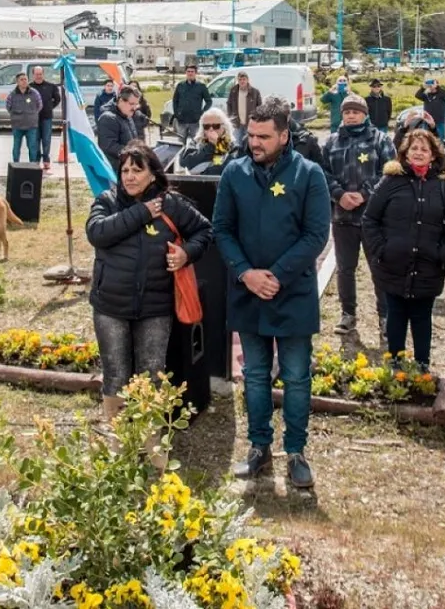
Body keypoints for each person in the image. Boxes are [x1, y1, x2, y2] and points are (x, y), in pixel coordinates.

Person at [213, 97, 330, 489]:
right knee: (255, 375)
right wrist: (246, 274)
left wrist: (276, 275)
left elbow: (316, 235)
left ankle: (296, 452)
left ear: (284, 134)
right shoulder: (235, 173)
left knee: (296, 377)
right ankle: (258, 449)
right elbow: (222, 230)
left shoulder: (309, 175)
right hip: (248, 292)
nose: (254, 143)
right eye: (251, 135)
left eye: (264, 136)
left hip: (292, 291)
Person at [86, 141, 212, 428]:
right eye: (125, 170)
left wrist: (186, 254)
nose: (129, 176)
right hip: (110, 307)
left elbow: (205, 231)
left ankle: (150, 443)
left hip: (156, 308)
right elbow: (97, 233)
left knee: (152, 375)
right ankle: (120, 444)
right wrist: (142, 212)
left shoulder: (172, 205)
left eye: (136, 170)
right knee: (116, 375)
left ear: (153, 174)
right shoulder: (107, 200)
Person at [362, 128, 445, 368]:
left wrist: (443, 253)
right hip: (393, 266)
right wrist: (382, 249)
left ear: (433, 156)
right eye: (414, 148)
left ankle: (422, 366)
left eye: (424, 149)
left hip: (428, 268)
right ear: (405, 154)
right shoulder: (390, 183)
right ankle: (395, 365)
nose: (419, 153)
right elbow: (370, 219)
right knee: (395, 315)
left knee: (422, 318)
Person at [321, 93, 395, 338]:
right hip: (342, 217)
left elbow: (390, 172)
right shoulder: (331, 142)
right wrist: (339, 194)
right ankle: (348, 314)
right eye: (347, 112)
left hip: (374, 219)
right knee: (345, 269)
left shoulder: (380, 140)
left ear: (365, 114)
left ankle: (385, 317)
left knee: (380, 268)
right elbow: (322, 173)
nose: (351, 116)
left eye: (355, 111)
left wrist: (365, 194)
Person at [96, 86, 141, 174]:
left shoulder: (127, 115)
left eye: (136, 104)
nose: (134, 108)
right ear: (120, 101)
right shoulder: (108, 118)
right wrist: (134, 153)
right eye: (132, 104)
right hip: (115, 170)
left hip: (128, 167)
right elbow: (109, 146)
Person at [176, 107, 233, 174]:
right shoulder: (196, 143)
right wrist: (210, 146)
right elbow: (185, 163)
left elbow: (220, 170)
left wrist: (218, 147)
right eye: (207, 126)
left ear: (224, 127)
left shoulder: (232, 146)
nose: (211, 129)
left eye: (216, 126)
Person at [7, 72, 44, 164]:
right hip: (17, 126)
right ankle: (15, 164)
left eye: (25, 79)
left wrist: (32, 115)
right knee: (16, 147)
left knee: (32, 147)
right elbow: (8, 107)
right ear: (17, 82)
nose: (24, 81)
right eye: (21, 80)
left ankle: (33, 165)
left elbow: (40, 106)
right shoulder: (12, 94)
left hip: (31, 126)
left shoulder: (34, 93)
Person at [29, 66, 61, 172]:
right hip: (33, 119)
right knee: (35, 140)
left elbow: (57, 99)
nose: (38, 76)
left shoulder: (51, 86)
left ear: (43, 74)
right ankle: (37, 161)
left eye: (40, 74)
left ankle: (46, 160)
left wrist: (49, 107)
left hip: (47, 117)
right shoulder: (29, 87)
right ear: (33, 75)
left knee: (46, 140)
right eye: (36, 74)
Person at [171, 64, 211, 139]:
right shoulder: (180, 85)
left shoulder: (201, 86)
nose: (190, 73)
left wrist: (202, 112)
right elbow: (175, 100)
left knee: (196, 142)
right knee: (180, 142)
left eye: (192, 71)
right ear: (186, 73)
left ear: (195, 73)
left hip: (195, 120)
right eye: (188, 71)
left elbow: (209, 101)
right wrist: (176, 114)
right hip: (182, 120)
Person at [226, 72, 262, 145]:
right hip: (237, 124)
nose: (242, 81)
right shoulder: (233, 91)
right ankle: (238, 156)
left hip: (250, 123)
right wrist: (230, 117)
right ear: (238, 80)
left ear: (247, 80)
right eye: (240, 79)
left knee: (249, 144)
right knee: (237, 144)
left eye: (244, 79)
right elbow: (229, 104)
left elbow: (260, 107)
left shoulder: (255, 92)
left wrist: (256, 119)